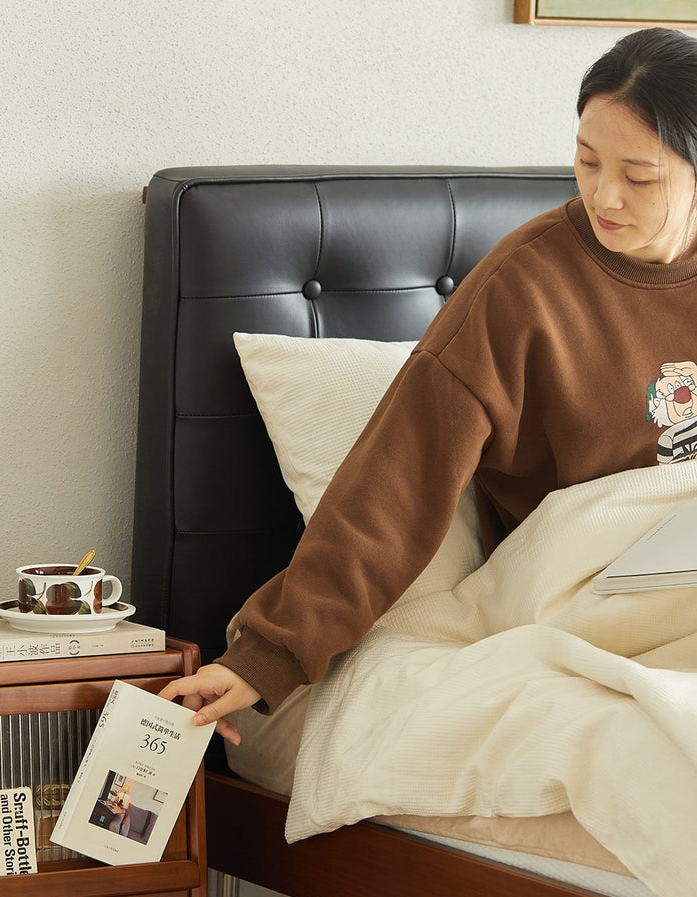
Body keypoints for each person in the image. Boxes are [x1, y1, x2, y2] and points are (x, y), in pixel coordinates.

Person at [159, 26, 697, 744]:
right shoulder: (521, 288)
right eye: (586, 159)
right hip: (580, 577)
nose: (605, 195)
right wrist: (268, 655)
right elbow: (397, 480)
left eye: (640, 177)